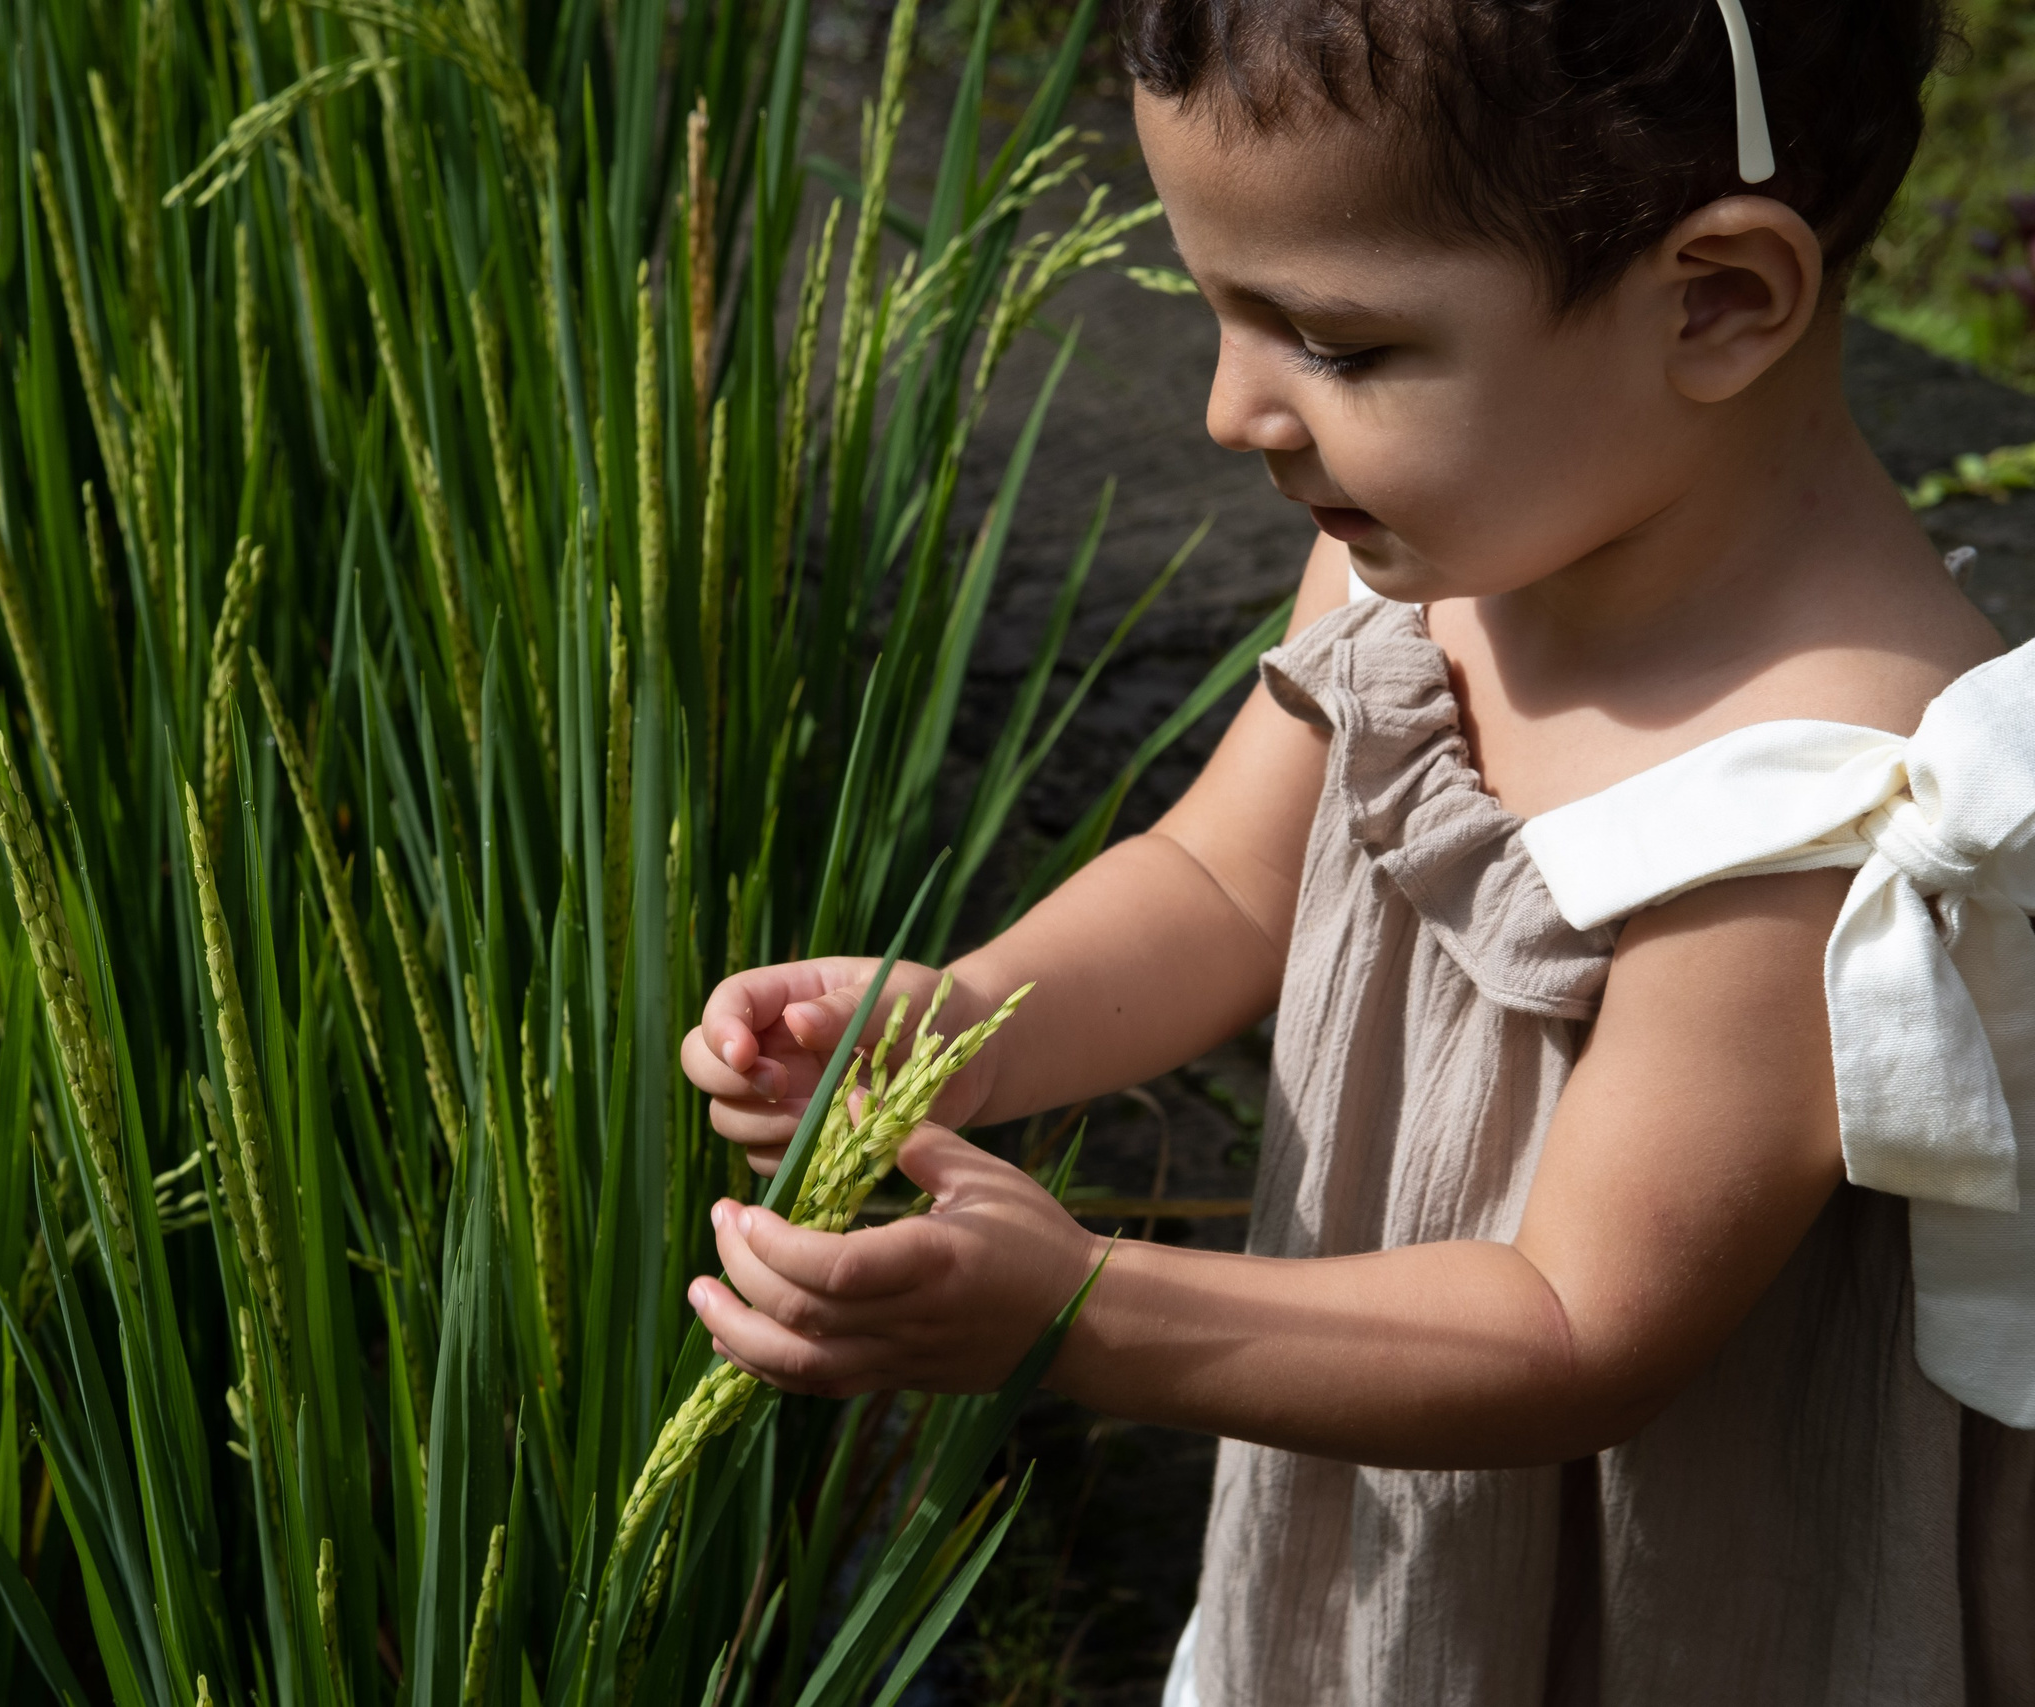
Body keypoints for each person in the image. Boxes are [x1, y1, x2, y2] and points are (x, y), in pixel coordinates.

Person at [676, 0, 2035, 1700]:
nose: (1233, 411)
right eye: (1213, 308)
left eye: (1339, 343)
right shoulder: (1436, 554)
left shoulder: (1809, 811)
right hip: (1375, 1460)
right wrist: (952, 1021)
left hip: (1639, 1587)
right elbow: (1220, 885)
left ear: (1716, 300)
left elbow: (1571, 1330)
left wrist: (1075, 1311)